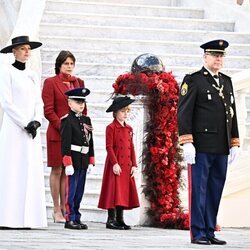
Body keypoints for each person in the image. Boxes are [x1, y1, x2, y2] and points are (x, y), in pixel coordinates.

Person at [177, 39, 240, 245]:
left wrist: (234, 142)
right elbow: (184, 113)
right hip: (201, 146)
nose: (218, 59)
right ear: (205, 57)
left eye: (221, 55)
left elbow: (232, 114)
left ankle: (210, 229)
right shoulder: (194, 80)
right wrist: (187, 142)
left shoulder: (227, 81)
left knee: (215, 189)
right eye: (214, 55)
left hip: (221, 146)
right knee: (200, 190)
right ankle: (198, 232)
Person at [0, 35, 47, 228]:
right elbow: (6, 102)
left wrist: (36, 120)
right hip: (13, 127)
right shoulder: (5, 72)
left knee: (30, 169)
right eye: (22, 49)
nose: (26, 52)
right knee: (12, 169)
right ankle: (7, 217)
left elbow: (38, 101)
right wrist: (24, 123)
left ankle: (29, 218)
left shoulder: (33, 74)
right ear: (14, 51)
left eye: (28, 49)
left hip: (31, 130)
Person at [42, 50, 85, 223]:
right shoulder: (50, 82)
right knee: (57, 169)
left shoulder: (79, 82)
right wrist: (65, 127)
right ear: (59, 65)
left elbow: (83, 107)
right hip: (57, 133)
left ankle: (67, 208)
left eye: (71, 63)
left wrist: (81, 129)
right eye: (66, 63)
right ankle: (56, 208)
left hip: (75, 136)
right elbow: (48, 110)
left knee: (70, 171)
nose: (69, 66)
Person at [98, 96, 140, 230]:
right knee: (113, 191)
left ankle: (120, 219)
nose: (125, 114)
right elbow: (109, 147)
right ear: (115, 112)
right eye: (122, 111)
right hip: (115, 164)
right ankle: (111, 220)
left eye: (127, 111)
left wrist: (134, 164)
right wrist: (114, 163)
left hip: (127, 165)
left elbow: (131, 146)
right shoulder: (111, 128)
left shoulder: (129, 128)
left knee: (123, 192)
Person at [60, 87, 94, 230]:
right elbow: (65, 143)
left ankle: (77, 217)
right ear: (69, 103)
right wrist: (67, 163)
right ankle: (69, 218)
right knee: (71, 190)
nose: (81, 105)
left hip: (83, 160)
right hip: (73, 160)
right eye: (77, 102)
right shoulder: (67, 120)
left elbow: (90, 141)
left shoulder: (87, 119)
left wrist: (91, 160)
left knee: (79, 191)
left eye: (83, 102)